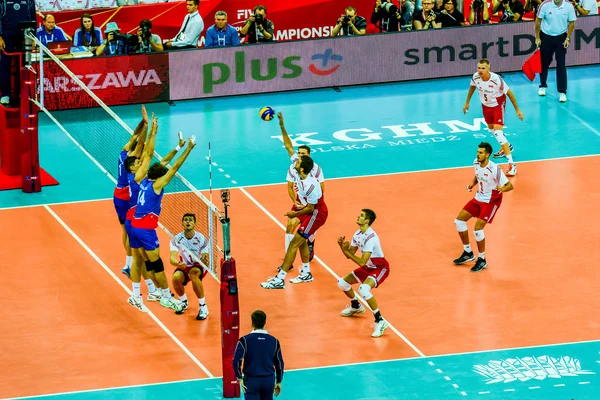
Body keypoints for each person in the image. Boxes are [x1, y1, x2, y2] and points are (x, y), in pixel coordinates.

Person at [128, 131, 197, 313]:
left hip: (134, 225)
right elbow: (173, 168)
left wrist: (178, 146)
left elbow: (163, 163)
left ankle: (144, 293)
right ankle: (166, 296)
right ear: (160, 177)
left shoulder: (144, 179)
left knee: (143, 261)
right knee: (156, 263)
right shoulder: (157, 185)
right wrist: (188, 149)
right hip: (146, 230)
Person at [261, 156, 328, 289]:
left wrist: (294, 214)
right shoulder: (299, 173)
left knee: (293, 244)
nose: (295, 163)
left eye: (298, 163)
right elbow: (289, 149)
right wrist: (282, 133)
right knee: (301, 240)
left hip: (316, 214)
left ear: (302, 168)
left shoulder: (311, 186)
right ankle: (306, 273)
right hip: (307, 210)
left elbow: (311, 208)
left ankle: (280, 279)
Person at [453, 142, 514, 272]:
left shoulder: (495, 169)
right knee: (459, 221)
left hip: (491, 201)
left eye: (480, 153)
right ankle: (468, 253)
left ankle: (482, 259)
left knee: (477, 229)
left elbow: (510, 186)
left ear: (487, 155)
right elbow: (477, 176)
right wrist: (471, 185)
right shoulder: (476, 162)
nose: (477, 154)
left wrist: (501, 188)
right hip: (479, 197)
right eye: (477, 152)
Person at [277, 112, 324, 271]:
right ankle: (288, 261)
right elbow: (289, 146)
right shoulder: (296, 165)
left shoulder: (314, 172)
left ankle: (310, 244)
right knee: (290, 227)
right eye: (299, 154)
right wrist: (282, 126)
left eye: (302, 155)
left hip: (312, 206)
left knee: (302, 236)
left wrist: (299, 212)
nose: (298, 156)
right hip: (301, 203)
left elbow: (320, 193)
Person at [463, 59, 524, 177]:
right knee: (491, 130)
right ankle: (507, 146)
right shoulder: (476, 77)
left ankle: (512, 165)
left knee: (498, 133)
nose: (480, 71)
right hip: (485, 106)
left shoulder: (496, 80)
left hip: (498, 105)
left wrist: (517, 110)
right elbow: (472, 88)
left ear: (488, 69)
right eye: (479, 68)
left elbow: (510, 93)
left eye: (483, 68)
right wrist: (467, 103)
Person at [337, 209, 390, 338]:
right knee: (342, 283)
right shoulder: (358, 234)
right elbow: (349, 255)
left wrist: (347, 251)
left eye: (361, 216)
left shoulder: (371, 237)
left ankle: (380, 320)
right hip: (368, 267)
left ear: (367, 221)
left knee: (364, 289)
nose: (358, 217)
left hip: (379, 267)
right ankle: (356, 306)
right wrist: (342, 247)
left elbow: (361, 261)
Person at [114, 106, 148, 278]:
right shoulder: (131, 160)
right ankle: (129, 265)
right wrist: (148, 127)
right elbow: (141, 142)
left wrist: (142, 122)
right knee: (128, 231)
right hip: (126, 197)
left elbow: (135, 137)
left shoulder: (123, 152)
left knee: (123, 230)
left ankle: (127, 262)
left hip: (117, 195)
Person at [233, 310, 284, 400]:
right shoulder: (274, 341)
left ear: (252, 323)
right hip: (269, 381)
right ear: (265, 322)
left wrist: (239, 377)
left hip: (251, 381)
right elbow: (279, 363)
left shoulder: (244, 341)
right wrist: (279, 381)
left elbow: (236, 361)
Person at [169, 213, 210, 320]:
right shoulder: (176, 239)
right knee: (175, 277)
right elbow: (172, 258)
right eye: (186, 220)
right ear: (182, 223)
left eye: (191, 220)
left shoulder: (201, 239)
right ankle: (183, 302)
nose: (188, 222)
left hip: (199, 265)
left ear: (195, 224)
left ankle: (203, 307)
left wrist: (205, 259)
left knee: (193, 274)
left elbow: (206, 257)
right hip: (185, 265)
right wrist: (177, 263)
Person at [535, 0, 576, 103]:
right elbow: (538, 21)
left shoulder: (569, 6)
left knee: (561, 65)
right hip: (546, 37)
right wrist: (537, 37)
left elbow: (571, 23)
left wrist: (567, 38)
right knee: (544, 63)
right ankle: (543, 85)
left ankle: (562, 92)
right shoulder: (545, 5)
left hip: (561, 37)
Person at [0, 0, 37, 105]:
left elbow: (33, 17)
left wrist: (34, 38)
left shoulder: (29, 0)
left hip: (24, 34)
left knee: (25, 65)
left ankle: (23, 93)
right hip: (8, 33)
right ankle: (5, 94)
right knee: (5, 64)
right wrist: (0, 37)